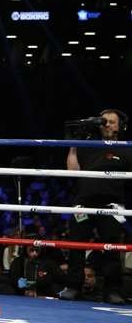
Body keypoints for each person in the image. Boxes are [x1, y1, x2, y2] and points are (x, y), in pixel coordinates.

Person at [61, 108, 132, 304]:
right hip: (84, 202)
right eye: (103, 121)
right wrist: (73, 145)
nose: (106, 124)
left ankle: (112, 290)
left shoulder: (127, 148)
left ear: (121, 126)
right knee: (76, 244)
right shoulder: (88, 145)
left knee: (111, 245)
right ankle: (73, 286)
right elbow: (73, 171)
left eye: (111, 121)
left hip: (111, 204)